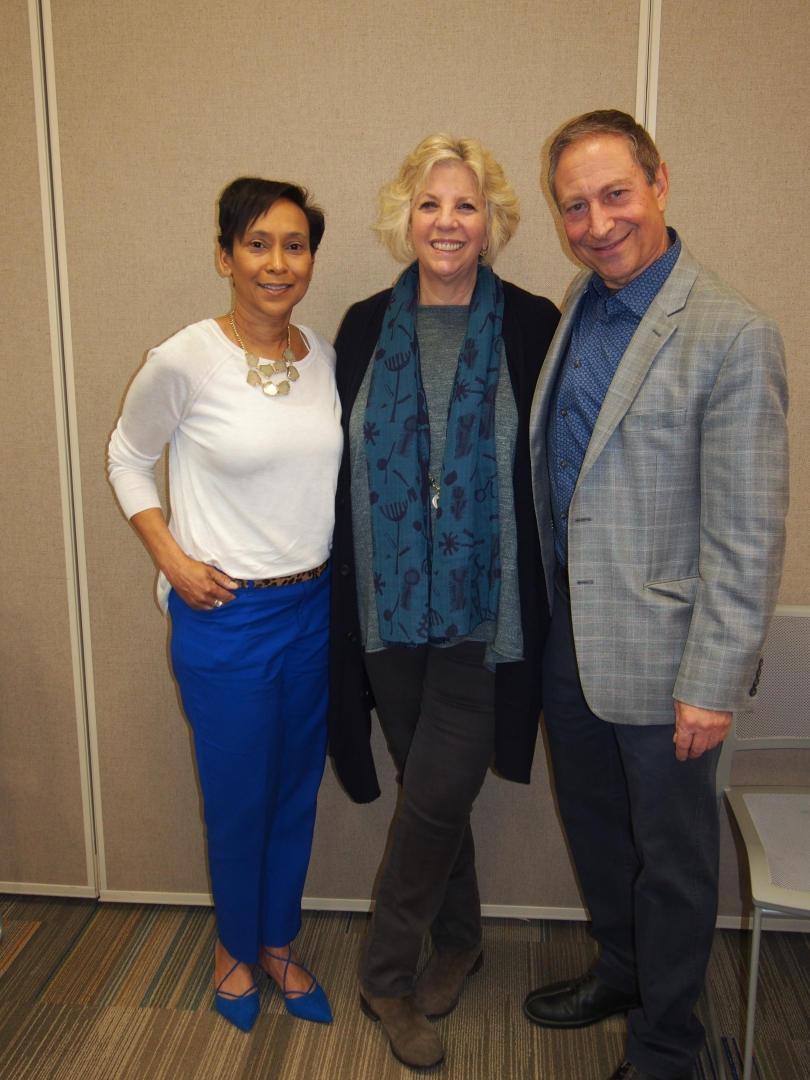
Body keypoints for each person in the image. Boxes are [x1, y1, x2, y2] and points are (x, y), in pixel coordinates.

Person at [525, 110, 789, 1080]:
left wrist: (713, 680)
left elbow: (750, 531)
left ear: (661, 183)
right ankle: (624, 972)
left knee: (673, 864)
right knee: (598, 831)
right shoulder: (584, 303)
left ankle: (669, 1047)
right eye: (575, 206)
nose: (596, 223)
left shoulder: (732, 335)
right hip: (575, 640)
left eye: (615, 194)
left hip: (675, 659)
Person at [328, 134, 560, 1068]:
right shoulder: (357, 326)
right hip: (387, 607)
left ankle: (385, 974)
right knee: (438, 790)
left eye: (465, 206)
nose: (447, 223)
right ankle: (458, 938)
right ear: (405, 218)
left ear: (492, 221)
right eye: (431, 205)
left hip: (484, 608)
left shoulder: (532, 324)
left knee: (429, 800)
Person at [107, 177, 342, 1032]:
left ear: (311, 258)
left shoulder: (324, 358)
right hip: (226, 618)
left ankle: (277, 941)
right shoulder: (185, 358)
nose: (277, 263)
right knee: (238, 796)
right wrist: (172, 555)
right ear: (224, 256)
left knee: (293, 791)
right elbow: (126, 459)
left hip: (312, 611)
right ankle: (233, 952)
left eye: (294, 245)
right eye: (257, 244)